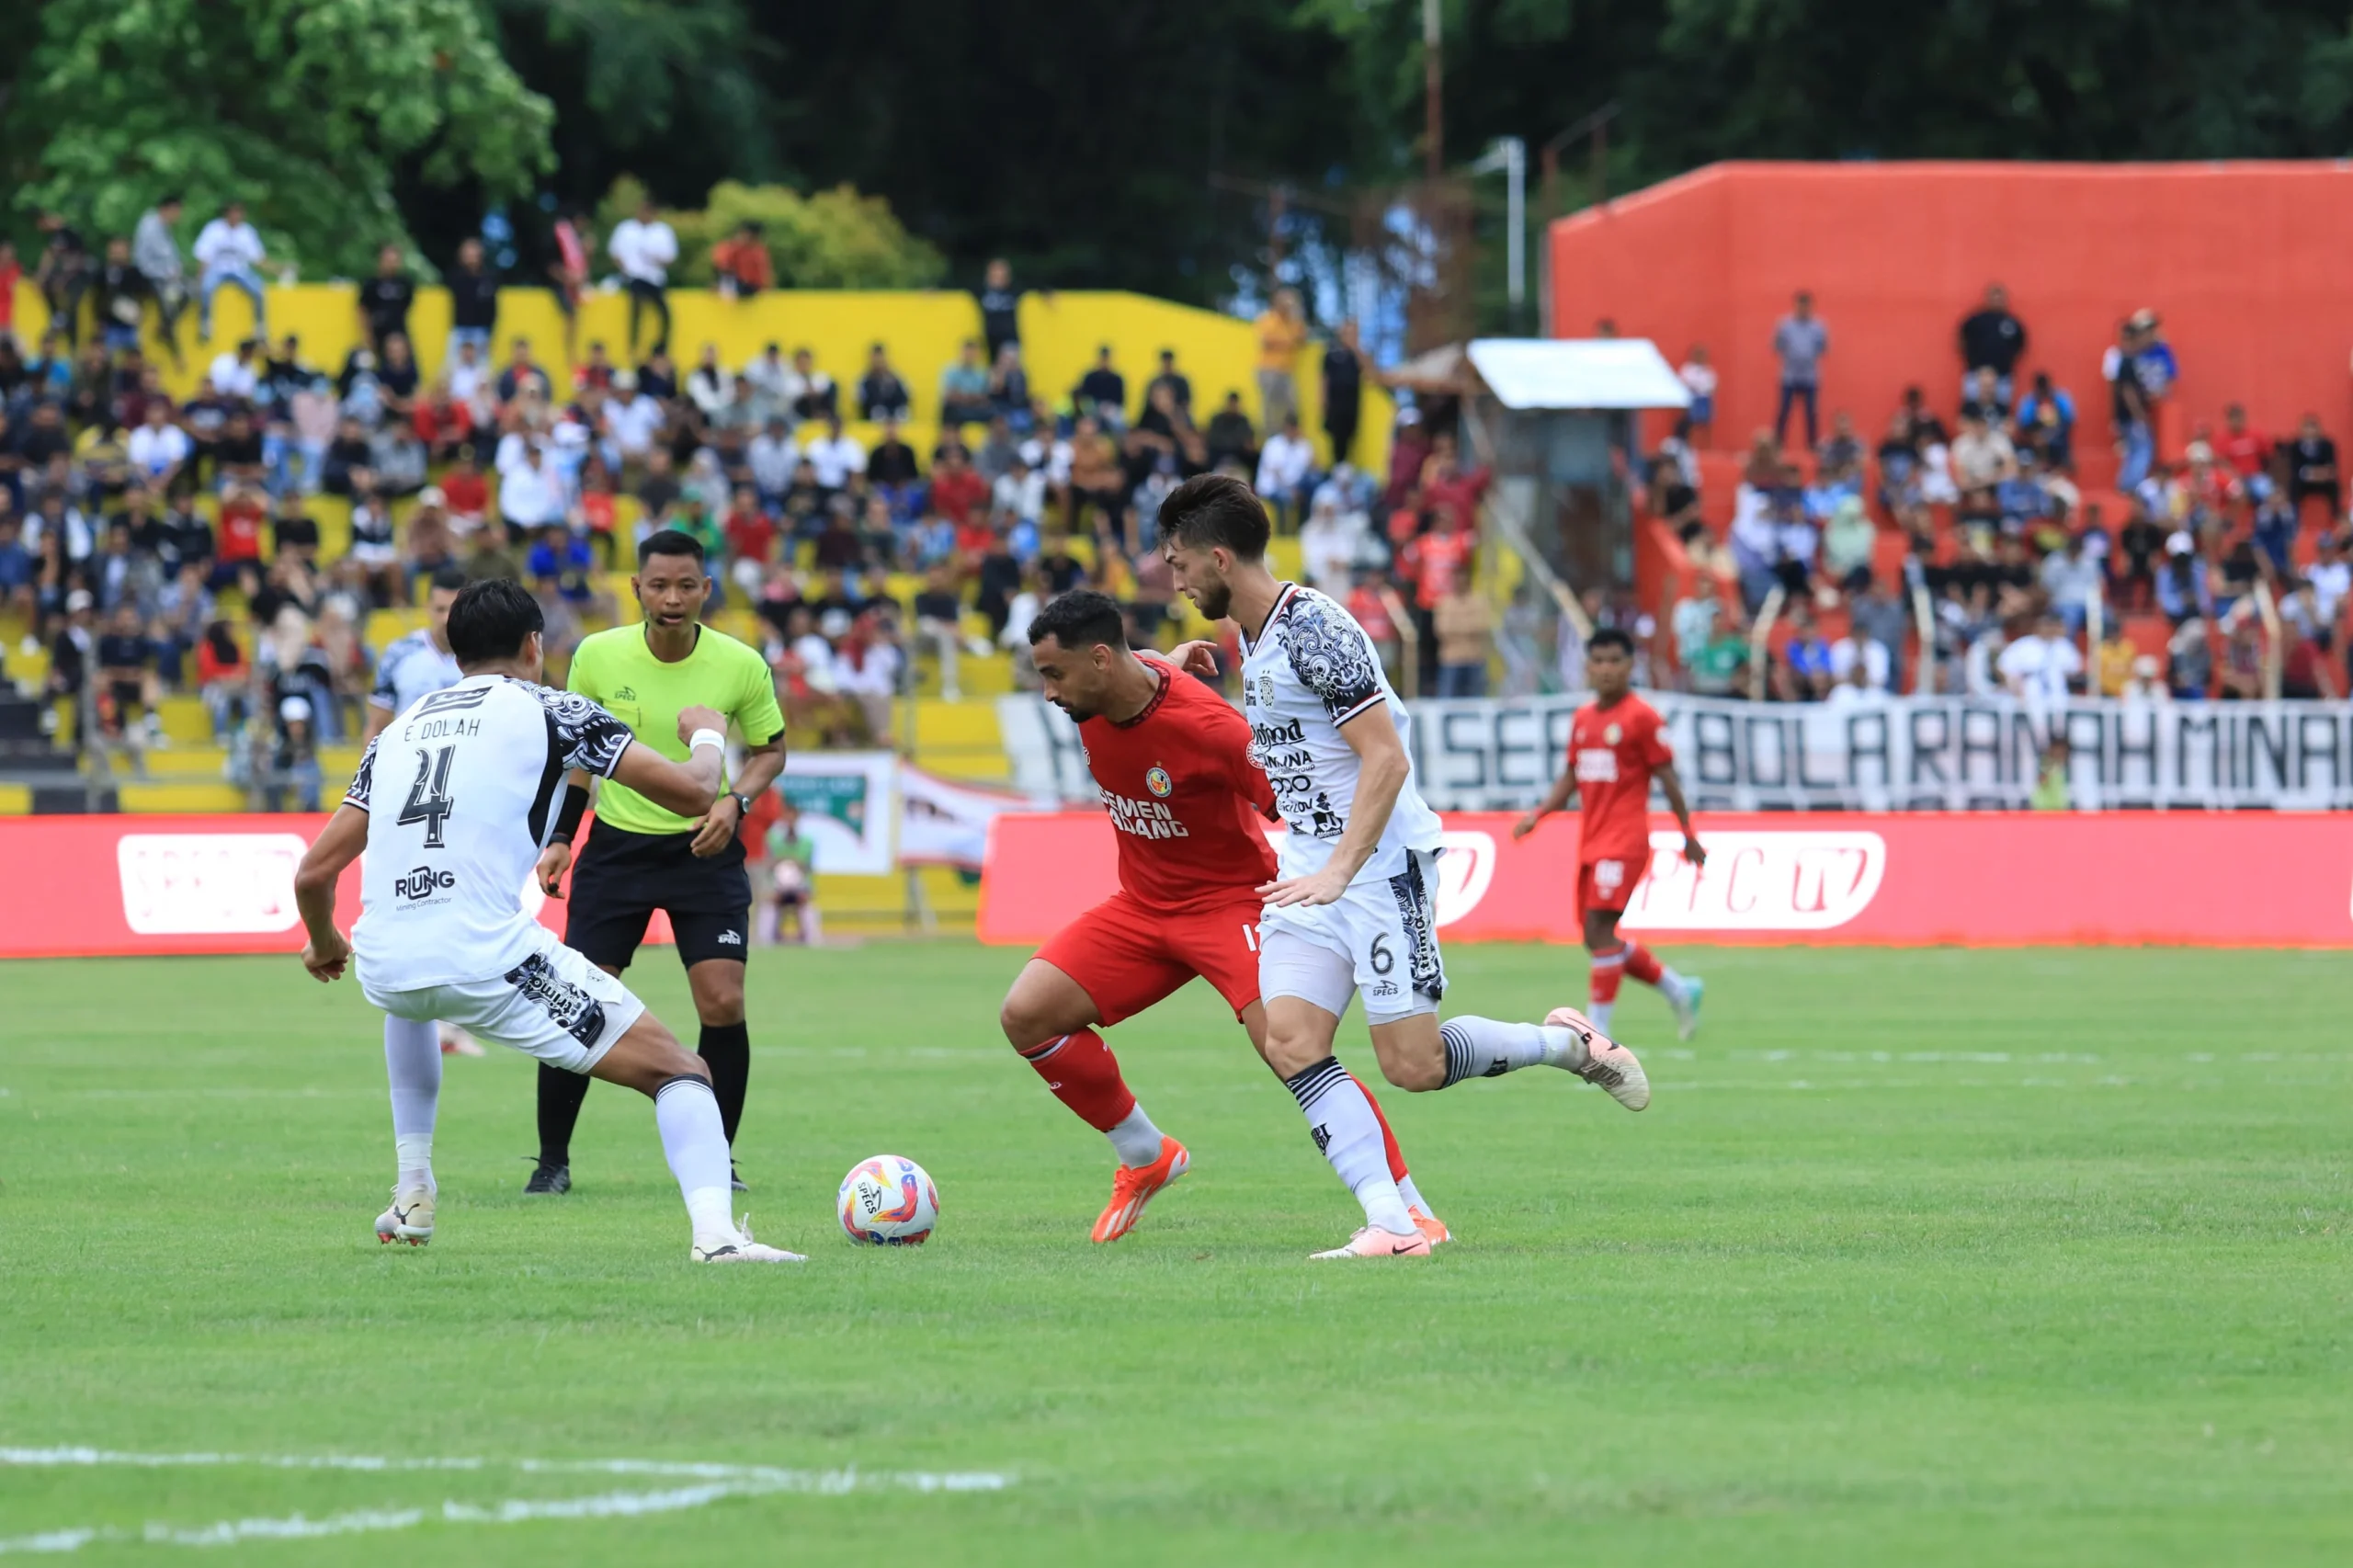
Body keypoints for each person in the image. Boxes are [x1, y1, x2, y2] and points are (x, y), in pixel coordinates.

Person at [1157, 474, 1651, 1261]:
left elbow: (1386, 761)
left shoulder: (1314, 627)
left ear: (1219, 557)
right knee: (1288, 1041)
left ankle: (1566, 1046)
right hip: (1309, 874)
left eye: (1179, 564)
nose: (1174, 580)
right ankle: (1393, 1223)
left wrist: (1342, 870)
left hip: (1382, 870)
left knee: (1412, 1068)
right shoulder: (1247, 637)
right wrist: (1170, 670)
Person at [290, 579, 801, 1263]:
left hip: (386, 960)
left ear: (453, 650)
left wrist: (325, 941)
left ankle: (413, 1190)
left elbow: (314, 874)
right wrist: (707, 732)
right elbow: (693, 792)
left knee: (411, 998)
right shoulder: (555, 711)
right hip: (485, 954)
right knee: (684, 1073)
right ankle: (717, 1240)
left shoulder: (398, 731)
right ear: (535, 646)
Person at [1004, 591, 1448, 1249]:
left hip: (1232, 904)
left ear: (1099, 660)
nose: (1048, 693)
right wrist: (1171, 663)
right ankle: (1146, 1154)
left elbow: (1301, 800)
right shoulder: (1102, 688)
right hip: (1141, 907)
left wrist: (1346, 877)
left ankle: (1408, 1210)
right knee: (1027, 1015)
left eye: (1054, 674)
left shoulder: (1212, 730)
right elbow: (1147, 670)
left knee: (1295, 1052)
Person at [527, 529, 788, 1196]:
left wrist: (737, 802)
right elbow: (580, 760)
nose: (672, 598)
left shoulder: (740, 664)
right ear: (636, 589)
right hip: (617, 849)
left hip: (706, 847)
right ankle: (552, 1162)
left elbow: (770, 750)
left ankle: (717, 1162)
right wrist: (561, 837)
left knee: (723, 1002)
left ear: (707, 590)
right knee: (576, 1002)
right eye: (659, 585)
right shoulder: (596, 656)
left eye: (686, 586)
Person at [1511, 627, 1706, 1036]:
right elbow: (1571, 777)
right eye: (1598, 661)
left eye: (1614, 661)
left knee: (1600, 932)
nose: (1605, 670)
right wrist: (1539, 814)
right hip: (1592, 841)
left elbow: (1669, 779)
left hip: (1625, 842)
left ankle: (1596, 1032)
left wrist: (1687, 832)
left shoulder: (1642, 717)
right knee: (1595, 937)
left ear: (1629, 665)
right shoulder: (1583, 718)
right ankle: (1678, 989)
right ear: (1587, 666)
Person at [608, 198, 677, 358]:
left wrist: (657, 260)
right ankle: (633, 345)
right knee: (636, 307)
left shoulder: (662, 231)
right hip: (633, 277)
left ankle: (661, 347)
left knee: (664, 312)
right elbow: (615, 253)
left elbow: (670, 258)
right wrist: (624, 269)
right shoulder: (625, 229)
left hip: (655, 279)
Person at [192, 200, 267, 341]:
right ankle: (205, 323)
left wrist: (277, 269)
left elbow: (257, 258)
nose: (235, 216)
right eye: (233, 212)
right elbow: (204, 255)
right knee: (206, 288)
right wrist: (200, 275)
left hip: (240, 270)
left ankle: (260, 326)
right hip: (217, 269)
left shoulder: (247, 232)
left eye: (238, 213)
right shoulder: (213, 229)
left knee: (258, 289)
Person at [131, 196, 188, 365]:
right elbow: (146, 260)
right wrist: (168, 273)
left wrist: (176, 271)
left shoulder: (165, 229)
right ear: (168, 209)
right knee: (167, 301)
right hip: (149, 276)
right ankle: (171, 342)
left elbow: (173, 257)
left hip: (165, 277)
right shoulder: (150, 226)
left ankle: (165, 326)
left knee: (184, 295)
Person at [1772, 290, 1827, 449]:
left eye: (1806, 305)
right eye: (1800, 305)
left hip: (1810, 376)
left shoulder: (1818, 326)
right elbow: (1777, 346)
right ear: (1795, 305)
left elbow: (1823, 348)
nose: (1803, 308)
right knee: (1784, 411)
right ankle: (1777, 445)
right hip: (1789, 375)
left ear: (1810, 306)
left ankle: (1812, 445)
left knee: (1811, 412)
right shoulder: (1784, 324)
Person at [1957, 283, 2027, 408]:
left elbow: (2020, 345)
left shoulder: (2011, 322)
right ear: (1988, 298)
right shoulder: (1976, 320)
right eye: (1994, 297)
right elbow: (1962, 339)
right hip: (1976, 373)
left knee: (2002, 409)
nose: (1997, 300)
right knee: (1971, 408)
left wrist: (2007, 361)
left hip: (2003, 375)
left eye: (1999, 297)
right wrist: (1972, 360)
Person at [1255, 288, 1308, 433]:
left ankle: (1290, 437)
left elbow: (1302, 340)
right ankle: (1270, 440)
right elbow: (1266, 342)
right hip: (1269, 370)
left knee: (1292, 406)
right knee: (1270, 409)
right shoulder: (1268, 318)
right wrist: (1289, 342)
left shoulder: (1294, 322)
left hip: (1287, 371)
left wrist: (1298, 314)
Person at [445, 237, 500, 369]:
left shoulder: (489, 279)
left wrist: (489, 330)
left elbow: (493, 307)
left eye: (473, 253)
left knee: (482, 370)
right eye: (467, 254)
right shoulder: (456, 277)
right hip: (460, 329)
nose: (471, 257)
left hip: (481, 331)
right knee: (452, 368)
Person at [1320, 320, 1364, 464]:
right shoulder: (1331, 354)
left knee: (1351, 440)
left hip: (1351, 406)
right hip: (1335, 406)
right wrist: (1323, 403)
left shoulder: (1356, 355)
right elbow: (1324, 379)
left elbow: (1368, 370)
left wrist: (1356, 348)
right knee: (1336, 443)